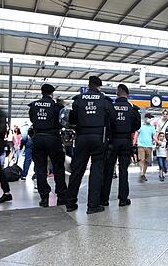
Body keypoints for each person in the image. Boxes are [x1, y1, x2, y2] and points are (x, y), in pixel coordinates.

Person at [65, 76, 116, 213]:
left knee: (77, 170)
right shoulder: (105, 101)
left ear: (89, 85)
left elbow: (72, 120)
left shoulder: (78, 100)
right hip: (99, 138)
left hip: (81, 138)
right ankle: (93, 205)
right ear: (99, 86)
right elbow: (113, 119)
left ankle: (70, 203)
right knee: (96, 171)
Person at [28, 84, 68, 207]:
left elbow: (32, 120)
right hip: (53, 138)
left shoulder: (33, 105)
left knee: (40, 168)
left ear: (42, 92)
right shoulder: (56, 106)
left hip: (38, 138)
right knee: (58, 167)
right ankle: (61, 196)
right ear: (52, 94)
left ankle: (44, 197)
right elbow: (62, 122)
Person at [102, 84, 141, 206]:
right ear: (127, 94)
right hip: (125, 142)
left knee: (108, 170)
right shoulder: (133, 109)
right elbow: (137, 126)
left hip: (112, 141)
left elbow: (106, 124)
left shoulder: (110, 108)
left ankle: (104, 199)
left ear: (117, 93)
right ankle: (123, 199)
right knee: (124, 170)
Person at [134, 112, 156, 181]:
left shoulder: (152, 127)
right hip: (141, 145)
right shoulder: (140, 125)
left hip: (149, 146)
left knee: (146, 161)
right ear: (145, 118)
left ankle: (143, 173)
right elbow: (136, 133)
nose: (150, 119)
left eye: (151, 118)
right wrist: (134, 141)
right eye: (149, 118)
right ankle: (141, 173)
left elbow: (154, 136)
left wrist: (157, 141)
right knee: (141, 159)